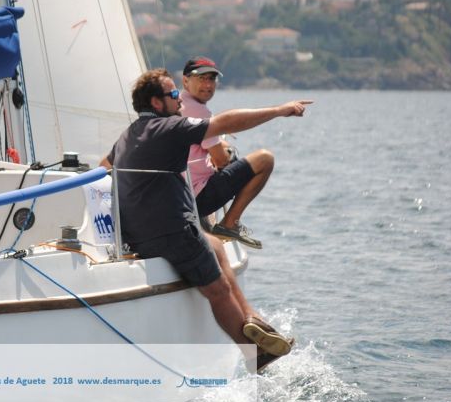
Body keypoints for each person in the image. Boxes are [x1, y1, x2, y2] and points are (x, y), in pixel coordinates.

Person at [100, 68, 311, 369]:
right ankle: (255, 354)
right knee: (217, 290)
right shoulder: (169, 127)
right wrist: (279, 110)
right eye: (173, 95)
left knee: (215, 245)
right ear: (157, 104)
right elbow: (227, 121)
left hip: (138, 234)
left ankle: (251, 316)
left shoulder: (127, 135)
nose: (179, 100)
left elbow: (102, 167)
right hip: (172, 232)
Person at [180, 56, 274, 249]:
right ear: (185, 80)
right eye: (202, 78)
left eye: (211, 79)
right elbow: (221, 160)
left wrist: (219, 143)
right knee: (264, 159)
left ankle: (213, 224)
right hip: (196, 198)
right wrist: (228, 151)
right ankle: (229, 224)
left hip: (177, 194)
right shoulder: (198, 111)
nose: (207, 84)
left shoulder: (176, 103)